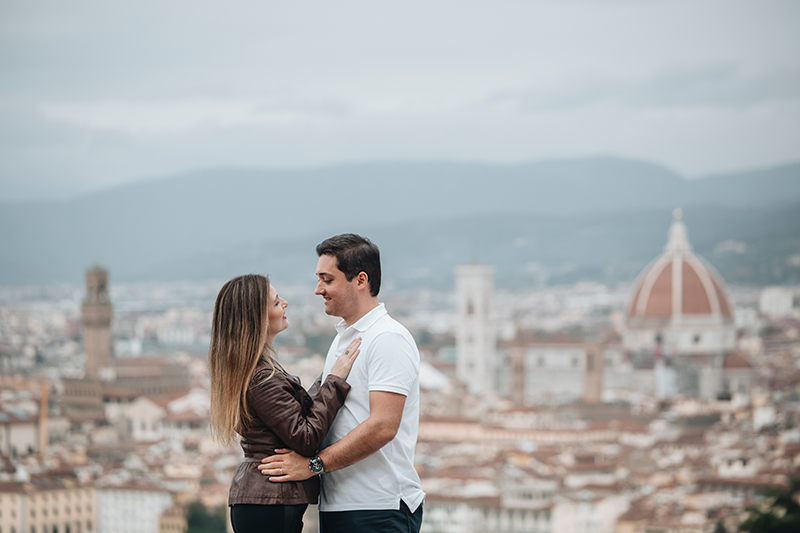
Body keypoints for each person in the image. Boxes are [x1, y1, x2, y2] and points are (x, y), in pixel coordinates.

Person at [259, 234, 425, 533]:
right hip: (342, 504)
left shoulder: (388, 338)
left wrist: (313, 465)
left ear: (360, 280)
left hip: (379, 505)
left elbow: (383, 426)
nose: (318, 289)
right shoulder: (343, 340)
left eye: (327, 280)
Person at [208, 274, 362, 533]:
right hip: (269, 502)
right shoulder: (261, 379)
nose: (285, 303)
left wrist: (328, 376)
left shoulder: (254, 372)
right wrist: (334, 381)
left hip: (265, 499)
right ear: (257, 318)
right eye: (276, 302)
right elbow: (305, 437)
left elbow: (294, 414)